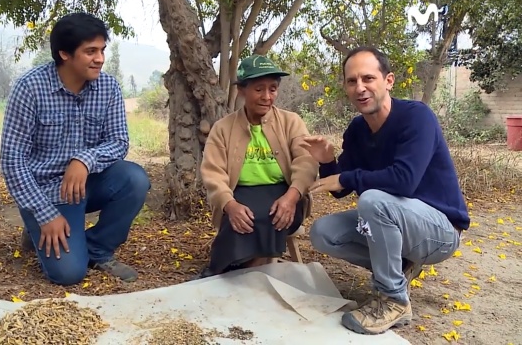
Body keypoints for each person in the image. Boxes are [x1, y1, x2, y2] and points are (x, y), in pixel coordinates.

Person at [303, 46, 469, 335]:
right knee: (323, 232)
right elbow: (340, 188)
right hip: (397, 221)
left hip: (440, 230)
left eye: (368, 78)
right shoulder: (358, 129)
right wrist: (328, 161)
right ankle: (401, 266)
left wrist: (347, 178)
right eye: (352, 81)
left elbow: (403, 181)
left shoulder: (417, 118)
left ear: (388, 81)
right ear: (345, 87)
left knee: (373, 201)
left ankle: (394, 300)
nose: (360, 87)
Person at [0, 13, 151, 286]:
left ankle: (97, 248)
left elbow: (119, 141)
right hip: (46, 192)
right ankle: (38, 226)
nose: (100, 59)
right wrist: (45, 215)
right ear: (64, 54)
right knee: (69, 274)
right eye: (90, 51)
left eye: (102, 50)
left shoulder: (108, 87)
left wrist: (84, 159)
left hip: (87, 183)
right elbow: (12, 161)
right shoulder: (30, 88)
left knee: (134, 179)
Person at [196, 54, 319, 278]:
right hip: (239, 192)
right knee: (241, 217)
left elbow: (306, 161)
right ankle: (236, 267)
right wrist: (229, 204)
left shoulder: (291, 122)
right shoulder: (223, 128)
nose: (267, 96)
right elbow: (213, 172)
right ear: (242, 90)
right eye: (259, 89)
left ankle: (231, 271)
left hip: (285, 191)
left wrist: (292, 197)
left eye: (272, 89)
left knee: (273, 214)